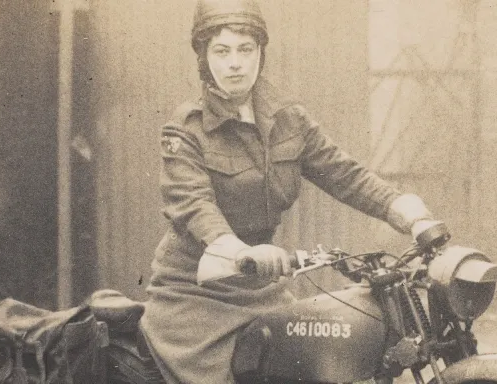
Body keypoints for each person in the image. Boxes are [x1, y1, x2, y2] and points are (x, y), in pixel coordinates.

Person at [139, 0, 437, 382]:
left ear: (261, 53)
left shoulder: (288, 120)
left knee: (310, 356)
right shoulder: (186, 129)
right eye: (222, 51)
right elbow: (194, 205)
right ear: (204, 57)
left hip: (262, 287)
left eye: (245, 49)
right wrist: (237, 250)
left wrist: (406, 210)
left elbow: (345, 174)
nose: (235, 63)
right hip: (197, 293)